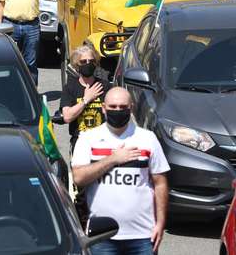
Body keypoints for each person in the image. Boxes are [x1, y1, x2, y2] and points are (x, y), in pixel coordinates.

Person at [71, 87, 169, 255]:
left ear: (131, 107)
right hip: (101, 236)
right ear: (103, 108)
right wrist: (113, 159)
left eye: (123, 107)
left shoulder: (147, 138)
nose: (118, 111)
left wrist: (160, 223)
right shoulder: (88, 138)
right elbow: (79, 177)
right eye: (113, 107)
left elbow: (160, 183)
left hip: (142, 236)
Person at [61, 44, 112, 151]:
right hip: (80, 142)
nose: (87, 64)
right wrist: (86, 100)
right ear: (76, 65)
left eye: (91, 61)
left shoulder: (105, 86)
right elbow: (67, 117)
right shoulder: (70, 88)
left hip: (102, 142)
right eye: (83, 62)